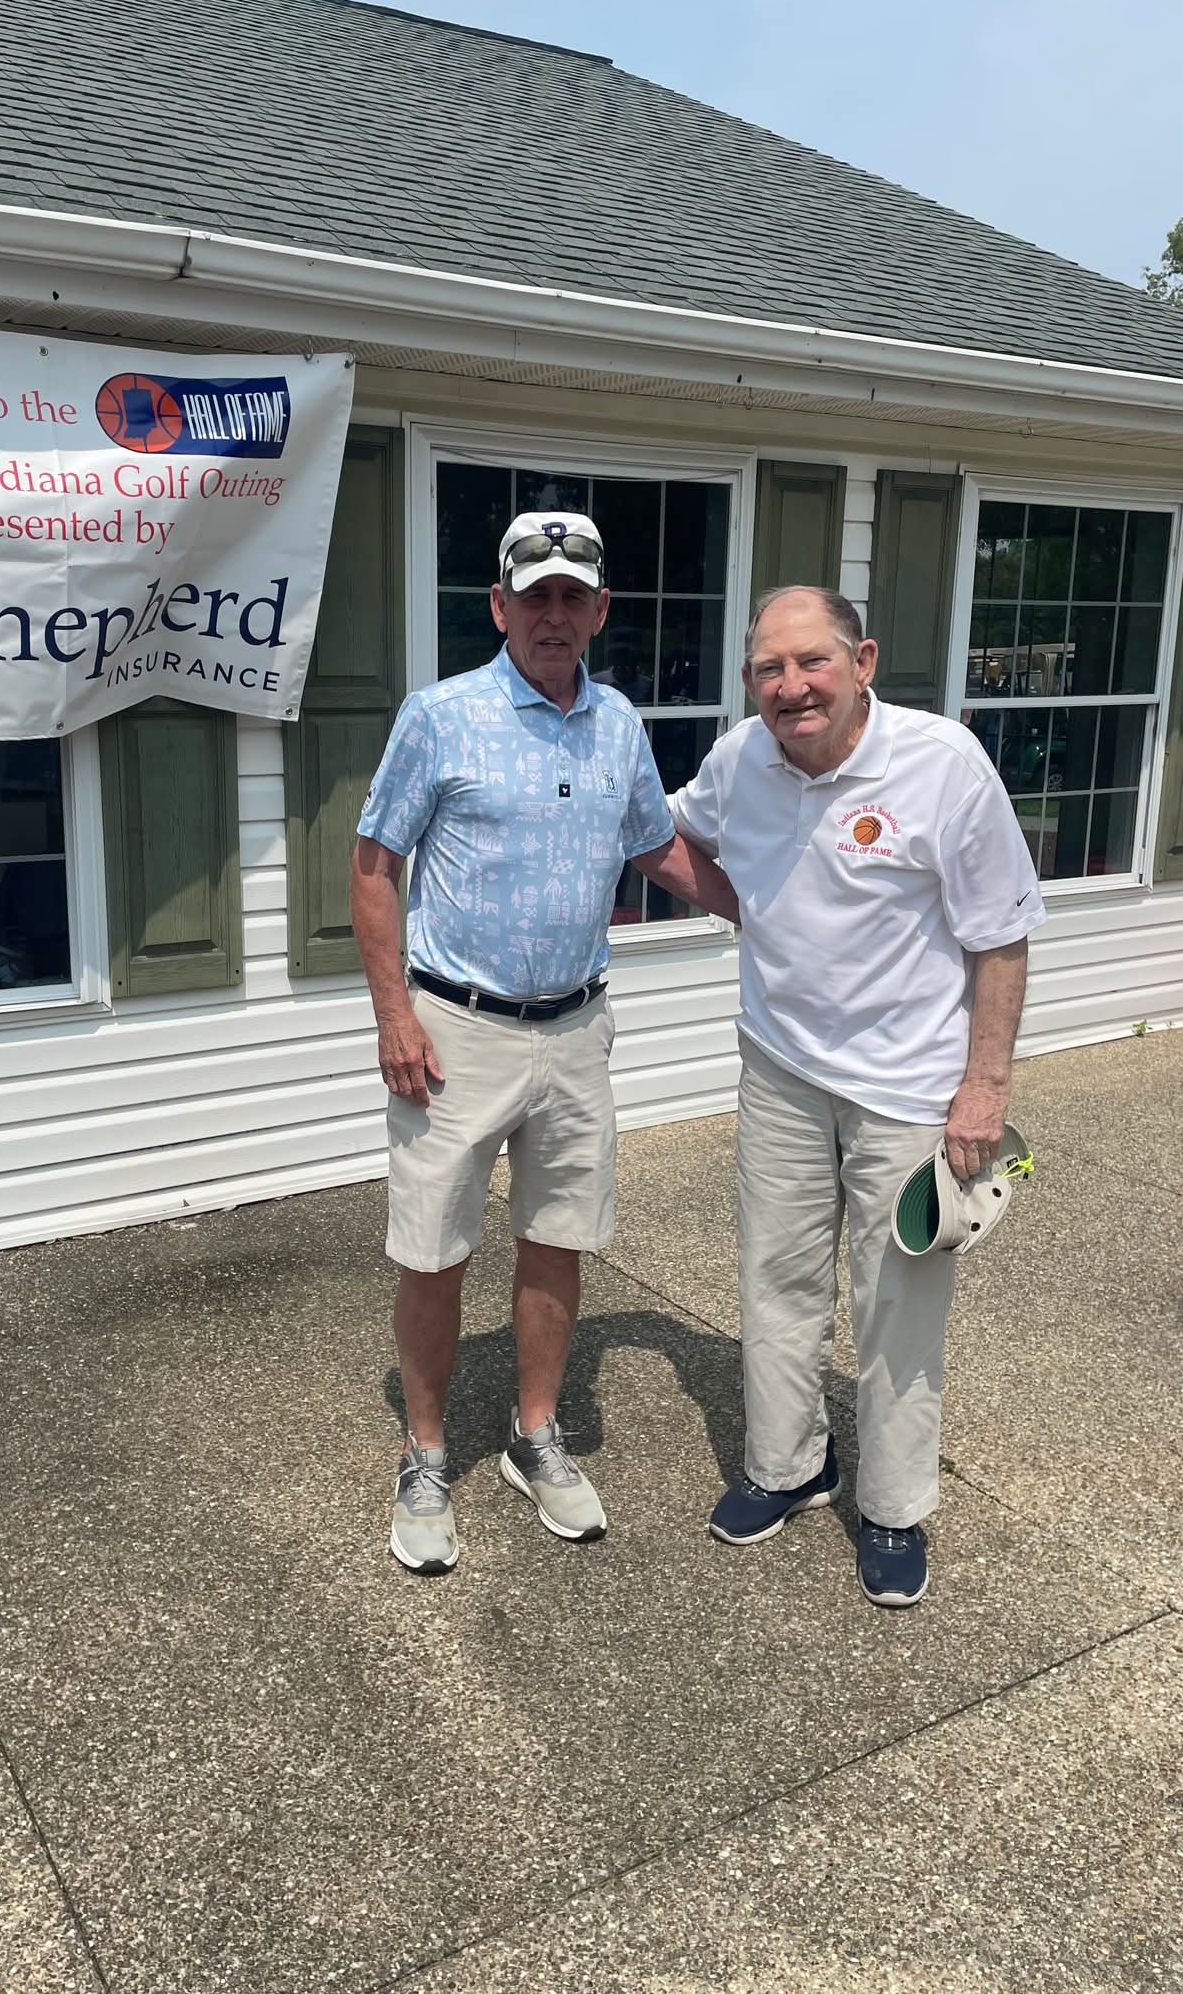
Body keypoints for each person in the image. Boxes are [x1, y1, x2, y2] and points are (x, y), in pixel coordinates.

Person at [352, 510, 736, 1575]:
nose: (555, 614)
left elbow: (657, 847)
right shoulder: (440, 716)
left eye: (575, 595)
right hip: (454, 1029)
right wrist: (393, 1014)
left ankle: (533, 1433)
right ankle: (426, 1451)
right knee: (435, 1248)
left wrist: (768, 912)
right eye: (537, 595)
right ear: (500, 608)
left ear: (601, 608)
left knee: (558, 1236)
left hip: (575, 1029)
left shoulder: (617, 721)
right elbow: (375, 866)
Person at [669, 585, 1045, 1608]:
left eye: (811, 662)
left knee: (897, 1307)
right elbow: (676, 838)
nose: (790, 686)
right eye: (768, 669)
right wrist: (754, 909)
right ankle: (788, 1465)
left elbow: (1001, 932)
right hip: (782, 1066)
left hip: (913, 1088)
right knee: (777, 1281)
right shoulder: (740, 758)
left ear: (863, 661)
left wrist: (984, 1088)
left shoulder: (941, 764)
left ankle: (892, 1504)